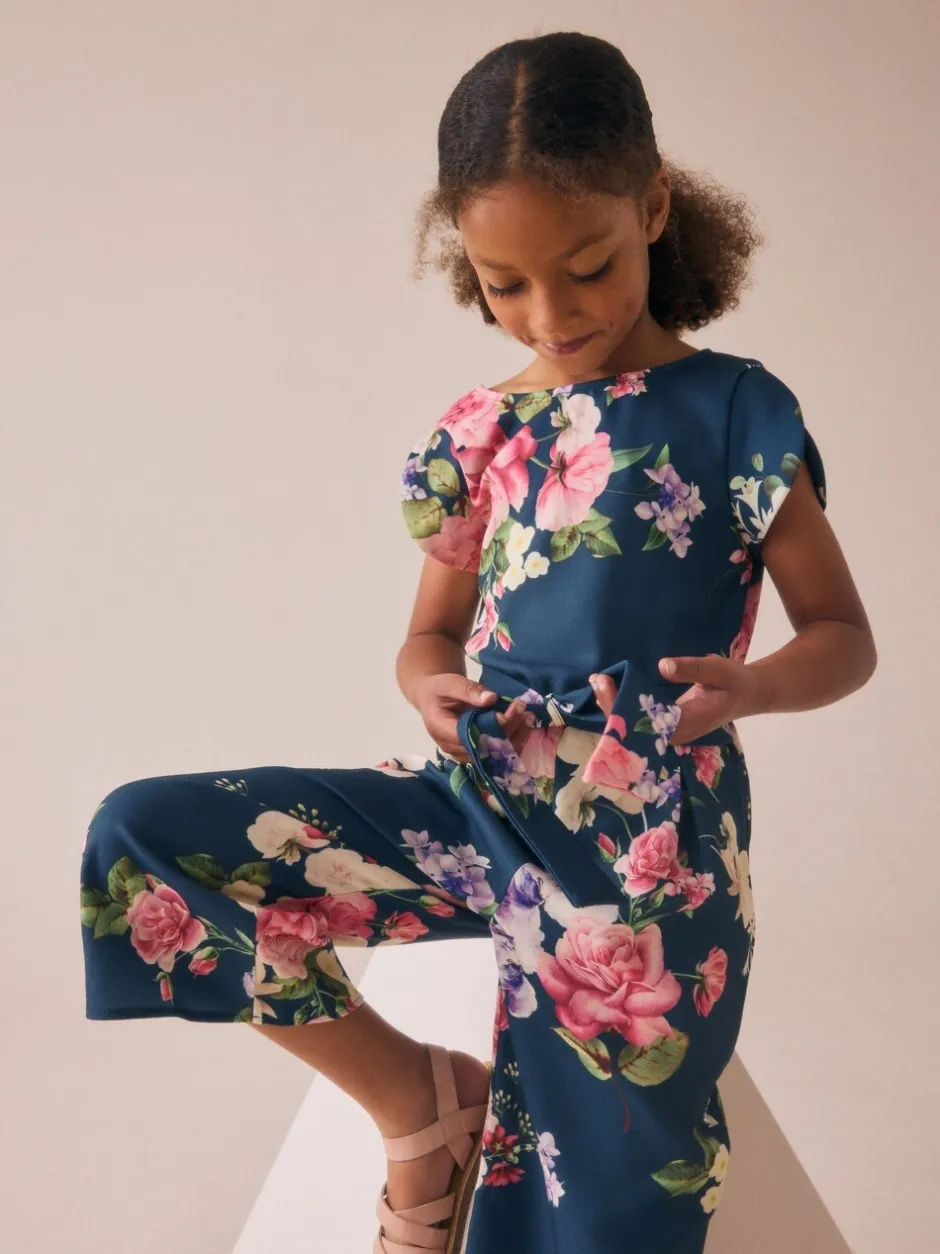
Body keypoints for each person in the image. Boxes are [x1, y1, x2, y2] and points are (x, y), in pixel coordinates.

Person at [79, 30, 877, 1254]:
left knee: (605, 1204)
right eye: (504, 284)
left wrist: (751, 687)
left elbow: (843, 637)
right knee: (143, 841)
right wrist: (430, 688)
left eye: (586, 268)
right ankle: (417, 1105)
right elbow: (426, 637)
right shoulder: (479, 431)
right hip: (474, 806)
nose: (547, 315)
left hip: (645, 849)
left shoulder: (736, 412)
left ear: (654, 207)